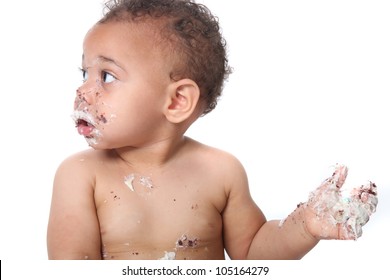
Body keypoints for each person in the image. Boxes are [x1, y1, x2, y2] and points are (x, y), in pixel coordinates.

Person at [47, 0, 378, 260]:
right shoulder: (80, 176)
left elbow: (252, 254)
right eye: (84, 73)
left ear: (177, 101)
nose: (83, 92)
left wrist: (305, 225)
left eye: (106, 76)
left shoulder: (221, 172)